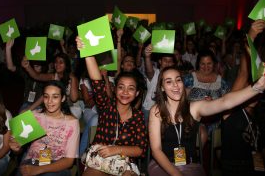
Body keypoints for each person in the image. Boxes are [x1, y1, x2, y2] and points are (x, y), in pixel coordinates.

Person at [148, 66, 265, 176]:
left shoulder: (194, 108)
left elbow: (225, 102)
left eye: (178, 80)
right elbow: (156, 151)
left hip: (190, 167)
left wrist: (256, 87)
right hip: (163, 166)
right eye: (168, 81)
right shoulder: (156, 111)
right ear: (162, 87)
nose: (175, 85)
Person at [76, 37, 148, 176]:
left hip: (124, 163)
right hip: (99, 162)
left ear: (137, 93)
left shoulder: (138, 116)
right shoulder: (106, 107)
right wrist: (88, 53)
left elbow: (140, 149)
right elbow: (96, 81)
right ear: (115, 90)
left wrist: (115, 149)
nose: (125, 92)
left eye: (131, 88)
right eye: (121, 87)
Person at [220, 19, 265, 176]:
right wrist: (250, 38)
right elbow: (243, 73)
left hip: (256, 166)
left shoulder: (259, 115)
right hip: (234, 168)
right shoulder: (231, 111)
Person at [9, 80, 80, 176]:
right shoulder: (34, 116)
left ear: (63, 98)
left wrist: (38, 170)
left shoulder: (72, 123)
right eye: (46, 96)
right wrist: (16, 149)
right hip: (32, 161)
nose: (50, 101)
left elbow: (69, 161)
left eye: (55, 97)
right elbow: (19, 150)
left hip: (57, 165)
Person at [21, 53, 80, 118]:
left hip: (72, 107)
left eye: (61, 62)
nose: (57, 65)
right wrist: (27, 66)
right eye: (56, 62)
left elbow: (74, 99)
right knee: (28, 115)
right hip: (56, 106)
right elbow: (37, 76)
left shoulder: (72, 78)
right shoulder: (53, 76)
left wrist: (73, 79)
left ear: (66, 65)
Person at [6, 39, 45, 112]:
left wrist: (28, 110)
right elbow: (10, 67)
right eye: (33, 66)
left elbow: (45, 96)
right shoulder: (27, 74)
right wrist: (8, 48)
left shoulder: (46, 77)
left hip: (40, 106)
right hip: (26, 104)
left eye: (37, 66)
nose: (34, 69)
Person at [142, 44, 175, 124]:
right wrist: (147, 57)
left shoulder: (174, 76)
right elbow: (149, 71)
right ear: (160, 61)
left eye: (170, 61)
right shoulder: (155, 73)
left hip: (167, 110)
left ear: (173, 63)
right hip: (149, 109)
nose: (167, 62)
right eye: (165, 60)